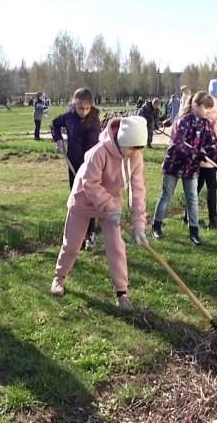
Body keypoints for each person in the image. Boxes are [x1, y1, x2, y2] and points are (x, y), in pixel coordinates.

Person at [50, 116, 149, 310]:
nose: (133, 154)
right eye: (131, 148)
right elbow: (90, 183)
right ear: (121, 140)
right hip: (83, 200)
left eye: (138, 149)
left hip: (110, 204)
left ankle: (122, 293)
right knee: (72, 245)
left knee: (116, 247)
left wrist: (139, 224)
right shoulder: (99, 152)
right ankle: (59, 277)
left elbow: (137, 190)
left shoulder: (135, 156)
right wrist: (110, 207)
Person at [151, 91, 217, 245]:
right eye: (207, 108)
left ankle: (194, 232)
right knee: (167, 195)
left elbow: (212, 144)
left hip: (191, 168)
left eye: (211, 109)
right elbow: (178, 144)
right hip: (174, 164)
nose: (209, 111)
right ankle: (156, 226)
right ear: (196, 106)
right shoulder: (183, 121)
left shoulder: (206, 124)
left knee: (193, 199)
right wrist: (196, 154)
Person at [51, 88, 102, 250]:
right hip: (72, 163)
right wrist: (58, 139)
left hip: (89, 166)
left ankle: (90, 234)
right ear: (74, 105)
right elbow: (54, 123)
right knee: (75, 198)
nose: (84, 112)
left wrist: (88, 167)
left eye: (87, 108)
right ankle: (77, 236)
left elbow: (93, 143)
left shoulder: (93, 120)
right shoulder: (69, 117)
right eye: (81, 108)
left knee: (89, 199)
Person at [197, 79, 217, 230]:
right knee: (212, 186)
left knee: (197, 185)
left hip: (196, 154)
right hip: (208, 156)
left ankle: (188, 215)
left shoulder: (202, 107)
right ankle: (213, 219)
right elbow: (215, 139)